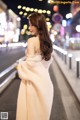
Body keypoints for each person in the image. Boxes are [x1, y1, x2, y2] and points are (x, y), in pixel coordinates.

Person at [16, 12, 54, 120]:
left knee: (30, 114)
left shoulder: (31, 41)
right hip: (46, 83)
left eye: (31, 24)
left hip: (32, 84)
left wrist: (20, 65)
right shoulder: (48, 42)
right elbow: (44, 63)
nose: (29, 27)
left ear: (38, 25)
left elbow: (30, 64)